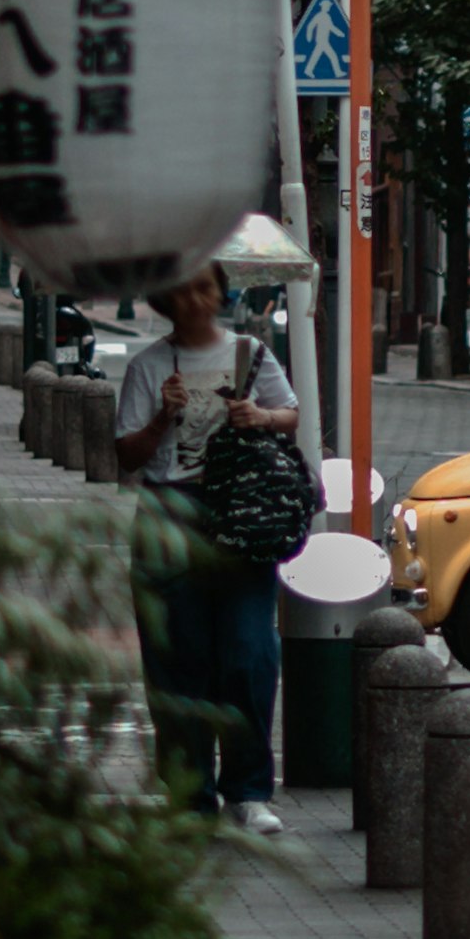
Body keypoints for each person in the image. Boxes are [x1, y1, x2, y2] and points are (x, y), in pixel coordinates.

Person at [113, 269, 302, 831]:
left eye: (205, 287)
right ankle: (190, 796)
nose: (196, 299)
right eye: (183, 289)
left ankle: (247, 790)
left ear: (221, 292)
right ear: (164, 299)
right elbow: (127, 455)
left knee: (250, 654)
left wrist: (260, 417)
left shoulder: (251, 353)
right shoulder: (149, 367)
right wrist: (161, 417)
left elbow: (289, 416)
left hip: (242, 517)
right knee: (178, 661)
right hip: (168, 518)